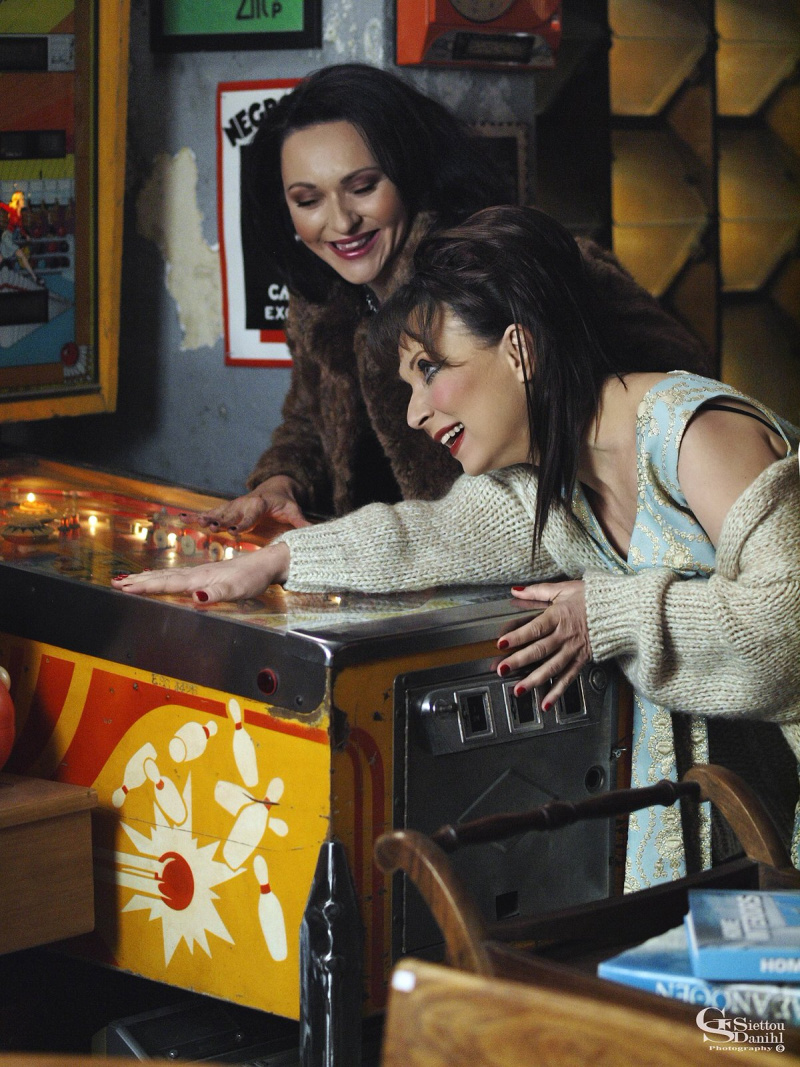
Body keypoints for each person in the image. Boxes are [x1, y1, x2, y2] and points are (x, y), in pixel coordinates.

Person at [114, 204, 800, 891]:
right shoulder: (548, 479)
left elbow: (786, 627)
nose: (415, 412)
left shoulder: (695, 435)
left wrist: (606, 613)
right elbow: (424, 537)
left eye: (430, 369)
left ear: (520, 350)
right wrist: (273, 561)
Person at [195, 62, 711, 534]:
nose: (341, 221)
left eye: (363, 187)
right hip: (393, 574)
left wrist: (604, 545)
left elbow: (677, 382)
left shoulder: (503, 268)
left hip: (528, 575)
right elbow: (310, 419)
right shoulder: (320, 304)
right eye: (308, 200)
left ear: (408, 173)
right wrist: (281, 480)